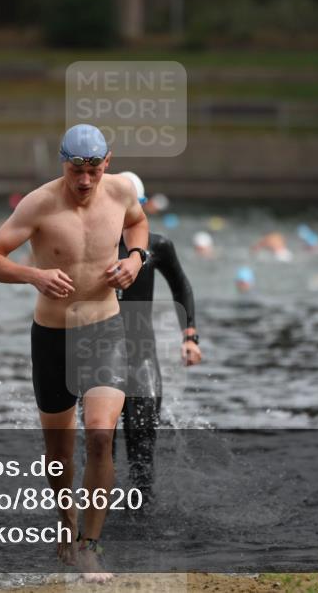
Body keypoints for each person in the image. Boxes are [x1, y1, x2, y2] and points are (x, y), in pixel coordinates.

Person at [0, 123, 148, 582]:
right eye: (76, 170)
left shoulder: (122, 192)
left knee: (99, 436)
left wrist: (135, 259)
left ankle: (91, 546)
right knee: (59, 452)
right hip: (52, 337)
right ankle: (67, 525)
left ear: (107, 163)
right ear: (63, 164)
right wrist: (34, 275)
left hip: (106, 329)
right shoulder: (39, 204)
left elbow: (138, 222)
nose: (85, 180)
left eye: (93, 170)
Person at [114, 171, 202, 504]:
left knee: (142, 462)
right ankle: (94, 528)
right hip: (96, 361)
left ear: (140, 206)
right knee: (98, 452)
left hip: (141, 360)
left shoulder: (157, 245)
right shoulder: (93, 245)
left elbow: (182, 287)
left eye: (130, 206)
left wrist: (190, 335)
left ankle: (142, 522)